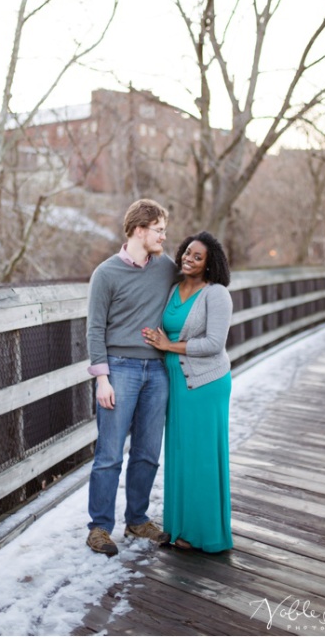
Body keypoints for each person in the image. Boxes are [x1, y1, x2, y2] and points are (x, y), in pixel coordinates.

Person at [85, 199, 179, 557]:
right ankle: (99, 528)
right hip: (119, 368)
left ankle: (137, 519)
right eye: (159, 229)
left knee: (148, 453)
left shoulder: (166, 268)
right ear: (140, 230)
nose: (163, 236)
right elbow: (95, 329)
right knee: (109, 453)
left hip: (157, 370)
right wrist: (102, 378)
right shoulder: (106, 274)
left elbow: (197, 283)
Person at [142, 231, 234, 553]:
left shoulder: (216, 294)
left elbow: (214, 344)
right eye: (187, 253)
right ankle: (180, 527)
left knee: (203, 457)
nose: (189, 259)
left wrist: (169, 345)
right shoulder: (173, 289)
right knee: (181, 454)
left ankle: (205, 534)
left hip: (206, 383)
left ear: (210, 265)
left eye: (198, 257)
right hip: (177, 383)